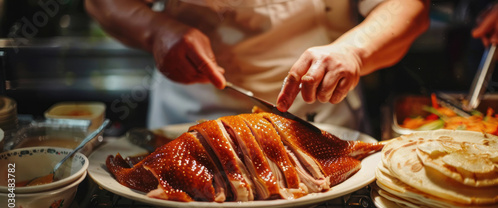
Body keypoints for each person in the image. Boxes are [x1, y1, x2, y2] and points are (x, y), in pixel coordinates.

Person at [85, 0, 430, 131]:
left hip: (316, 118)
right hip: (190, 116)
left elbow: (409, 7)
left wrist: (353, 51)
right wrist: (156, 31)